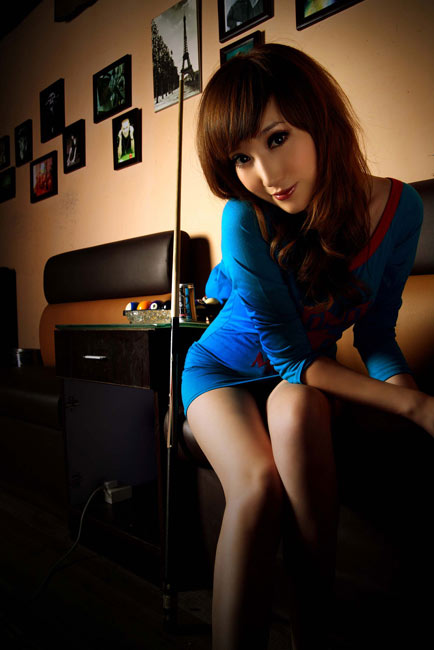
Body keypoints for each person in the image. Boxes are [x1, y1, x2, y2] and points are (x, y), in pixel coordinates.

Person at [181, 44, 433, 650]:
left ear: (318, 119)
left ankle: (310, 635)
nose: (267, 175)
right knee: (257, 487)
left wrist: (413, 406)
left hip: (298, 379)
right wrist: (417, 406)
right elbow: (293, 357)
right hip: (220, 372)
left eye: (277, 138)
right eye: (242, 157)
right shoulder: (246, 218)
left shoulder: (401, 210)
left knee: (296, 409)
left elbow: (376, 333)